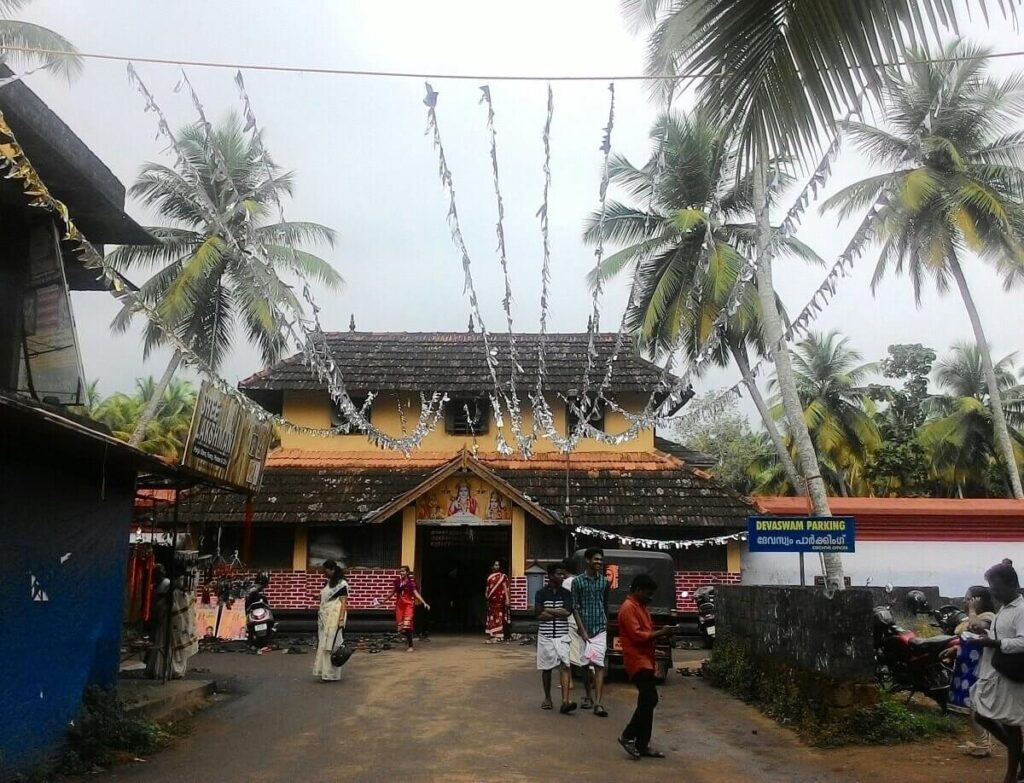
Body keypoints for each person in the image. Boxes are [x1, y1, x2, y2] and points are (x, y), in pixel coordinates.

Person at [971, 563, 1024, 783]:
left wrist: (995, 642)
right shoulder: (1005, 607)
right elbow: (1002, 633)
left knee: (1011, 723)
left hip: (1011, 673)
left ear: (1012, 584)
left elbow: (1022, 641)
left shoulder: (1021, 609)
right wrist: (985, 632)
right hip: (996, 671)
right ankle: (1021, 758)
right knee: (982, 715)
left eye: (996, 586)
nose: (992, 591)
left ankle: (1012, 775)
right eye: (991, 586)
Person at [617, 573, 677, 759]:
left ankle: (642, 744)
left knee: (647, 701)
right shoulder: (628, 608)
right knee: (649, 699)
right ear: (637, 590)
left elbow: (647, 631)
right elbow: (637, 635)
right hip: (637, 660)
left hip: (646, 659)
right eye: (648, 593)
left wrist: (661, 634)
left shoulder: (641, 606)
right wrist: (660, 633)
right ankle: (628, 736)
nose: (650, 597)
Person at [943, 586, 997, 757]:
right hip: (968, 669)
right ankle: (983, 742)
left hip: (978, 671)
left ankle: (983, 744)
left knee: (973, 707)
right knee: (973, 708)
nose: (965, 602)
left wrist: (972, 610)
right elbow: (971, 640)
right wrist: (956, 649)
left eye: (968, 599)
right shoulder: (977, 617)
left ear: (978, 600)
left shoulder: (988, 617)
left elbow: (975, 628)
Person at [571, 547, 610, 717]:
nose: (599, 563)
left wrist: (605, 623)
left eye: (601, 560)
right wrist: (581, 630)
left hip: (600, 627)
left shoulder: (604, 582)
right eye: (596, 559)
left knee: (600, 665)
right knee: (585, 666)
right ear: (587, 560)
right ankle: (588, 695)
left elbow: (605, 604)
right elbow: (574, 607)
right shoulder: (577, 582)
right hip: (584, 629)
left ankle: (599, 703)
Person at [535, 562, 577, 714]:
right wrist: (557, 612)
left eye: (562, 574)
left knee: (565, 666)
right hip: (545, 635)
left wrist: (548, 609)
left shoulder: (566, 593)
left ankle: (565, 701)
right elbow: (539, 615)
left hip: (562, 635)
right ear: (550, 575)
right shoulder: (540, 593)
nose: (561, 576)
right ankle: (548, 698)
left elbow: (567, 613)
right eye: (558, 574)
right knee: (546, 668)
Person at [313, 560, 348, 682]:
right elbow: (325, 596)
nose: (324, 573)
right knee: (323, 643)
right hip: (324, 616)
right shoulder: (327, 583)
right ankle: (324, 672)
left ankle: (331, 674)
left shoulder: (342, 584)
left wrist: (341, 619)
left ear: (332, 569)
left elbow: (343, 602)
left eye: (325, 571)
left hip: (335, 616)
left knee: (332, 645)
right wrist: (317, 596)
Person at [380, 565, 430, 651]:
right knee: (401, 627)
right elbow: (392, 593)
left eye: (403, 571)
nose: (401, 573)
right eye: (400, 571)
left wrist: (424, 603)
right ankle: (408, 638)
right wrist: (383, 601)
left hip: (408, 605)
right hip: (399, 606)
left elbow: (416, 594)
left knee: (407, 625)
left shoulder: (411, 583)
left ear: (407, 572)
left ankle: (410, 646)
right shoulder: (397, 582)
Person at [485, 560, 510, 643]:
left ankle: (499, 636)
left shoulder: (503, 576)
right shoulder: (489, 577)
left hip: (499, 601)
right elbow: (488, 588)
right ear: (492, 566)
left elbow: (505, 588)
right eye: (495, 565)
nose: (497, 566)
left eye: (498, 565)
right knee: (491, 617)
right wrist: (486, 595)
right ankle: (492, 634)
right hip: (491, 601)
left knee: (498, 616)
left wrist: (507, 599)